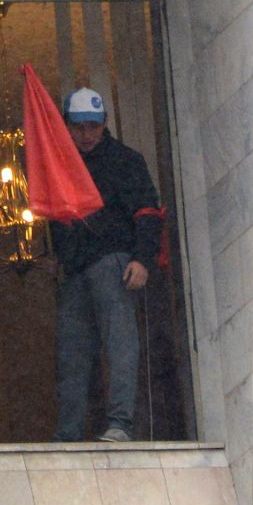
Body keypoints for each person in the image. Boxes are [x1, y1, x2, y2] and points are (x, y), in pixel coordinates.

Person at [50, 87, 164, 443]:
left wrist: (142, 259)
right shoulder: (61, 164)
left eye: (93, 126)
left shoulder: (125, 160)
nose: (87, 135)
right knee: (72, 357)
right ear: (66, 125)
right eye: (79, 127)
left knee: (120, 345)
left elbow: (148, 213)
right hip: (75, 270)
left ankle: (120, 424)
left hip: (112, 262)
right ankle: (68, 433)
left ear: (104, 125)